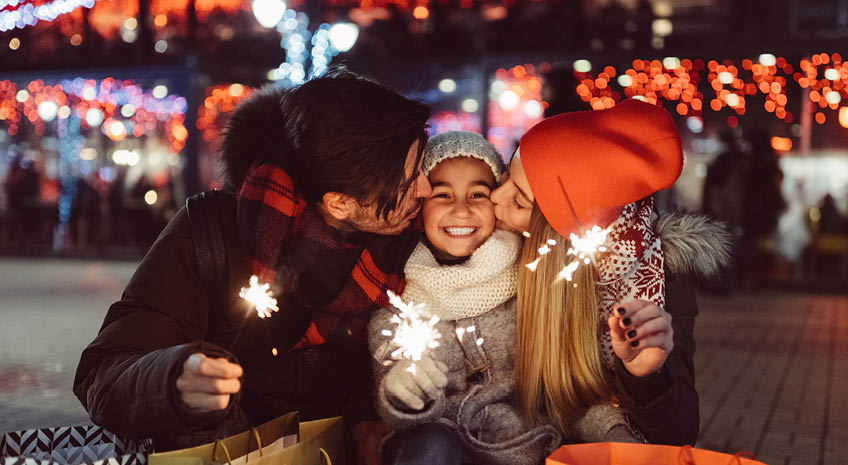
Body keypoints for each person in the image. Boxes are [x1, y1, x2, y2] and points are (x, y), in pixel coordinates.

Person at [73, 70, 432, 464]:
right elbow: (103, 371)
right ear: (339, 204)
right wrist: (174, 379)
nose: (425, 189)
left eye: (421, 167)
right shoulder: (210, 233)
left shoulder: (413, 241)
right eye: (407, 179)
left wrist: (369, 419)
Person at [368, 131, 638, 465]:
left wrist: (615, 435)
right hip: (434, 453)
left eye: (478, 194)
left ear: (496, 203)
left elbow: (568, 400)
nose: (462, 209)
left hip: (522, 452)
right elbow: (397, 415)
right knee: (431, 445)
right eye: (442, 195)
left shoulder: (532, 288)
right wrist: (404, 393)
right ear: (420, 207)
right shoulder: (396, 305)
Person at [490, 100, 731, 445]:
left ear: (558, 238)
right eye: (504, 175)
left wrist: (646, 375)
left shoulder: (660, 281)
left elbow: (679, 434)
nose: (495, 197)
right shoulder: (498, 254)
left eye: (518, 202)